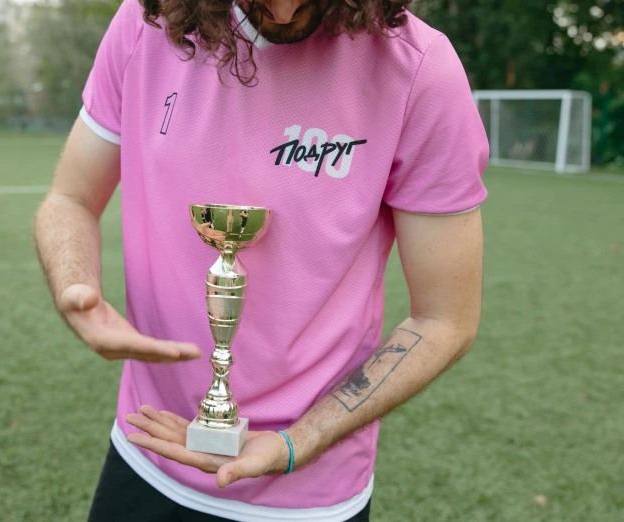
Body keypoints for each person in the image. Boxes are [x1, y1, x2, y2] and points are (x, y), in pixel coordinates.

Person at [34, 0, 488, 520]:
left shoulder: (421, 67)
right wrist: (75, 287)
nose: (285, 7)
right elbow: (70, 198)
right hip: (146, 452)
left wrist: (297, 441)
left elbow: (445, 318)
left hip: (310, 497)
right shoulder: (146, 22)